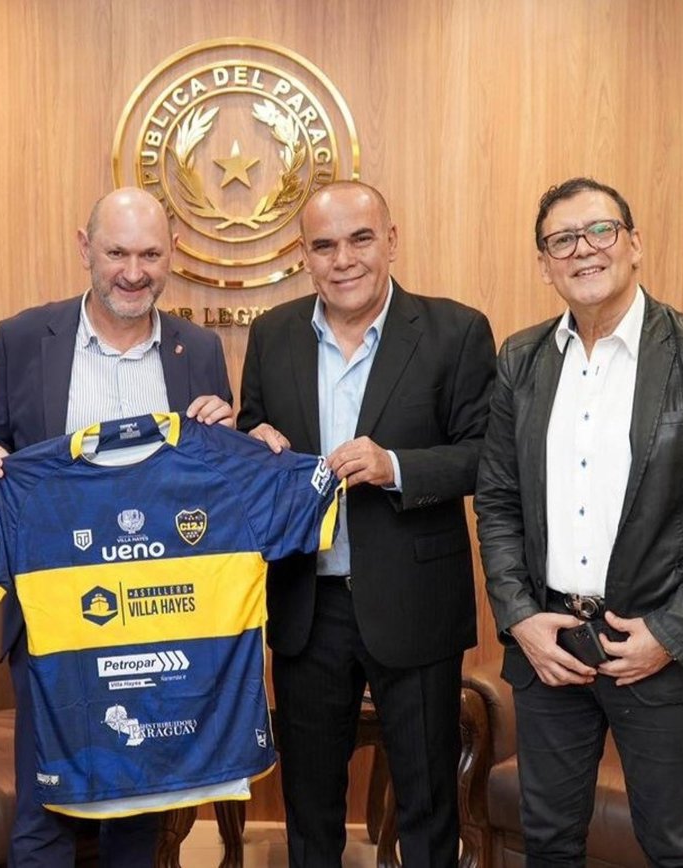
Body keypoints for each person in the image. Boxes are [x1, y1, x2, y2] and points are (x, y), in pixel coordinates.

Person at [474, 177, 683, 866]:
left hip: (656, 650)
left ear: (634, 244)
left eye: (600, 230)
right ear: (544, 264)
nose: (583, 249)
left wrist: (670, 634)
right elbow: (497, 501)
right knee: (548, 843)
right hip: (552, 647)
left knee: (672, 847)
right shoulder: (521, 359)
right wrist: (520, 617)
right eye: (561, 240)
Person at [0, 186, 233, 867]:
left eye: (151, 255)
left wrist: (226, 433)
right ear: (85, 248)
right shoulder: (26, 338)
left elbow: (214, 485)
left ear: (173, 254)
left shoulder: (200, 350)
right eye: (117, 253)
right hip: (52, 616)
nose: (133, 273)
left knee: (136, 808)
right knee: (44, 807)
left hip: (158, 618)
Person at [237, 180, 496, 867]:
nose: (343, 259)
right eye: (324, 245)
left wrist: (395, 466)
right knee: (309, 805)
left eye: (360, 239)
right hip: (306, 602)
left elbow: (486, 455)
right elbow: (252, 432)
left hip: (414, 602)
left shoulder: (455, 332)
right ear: (305, 256)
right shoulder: (273, 335)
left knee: (428, 802)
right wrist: (254, 441)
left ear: (391, 240)